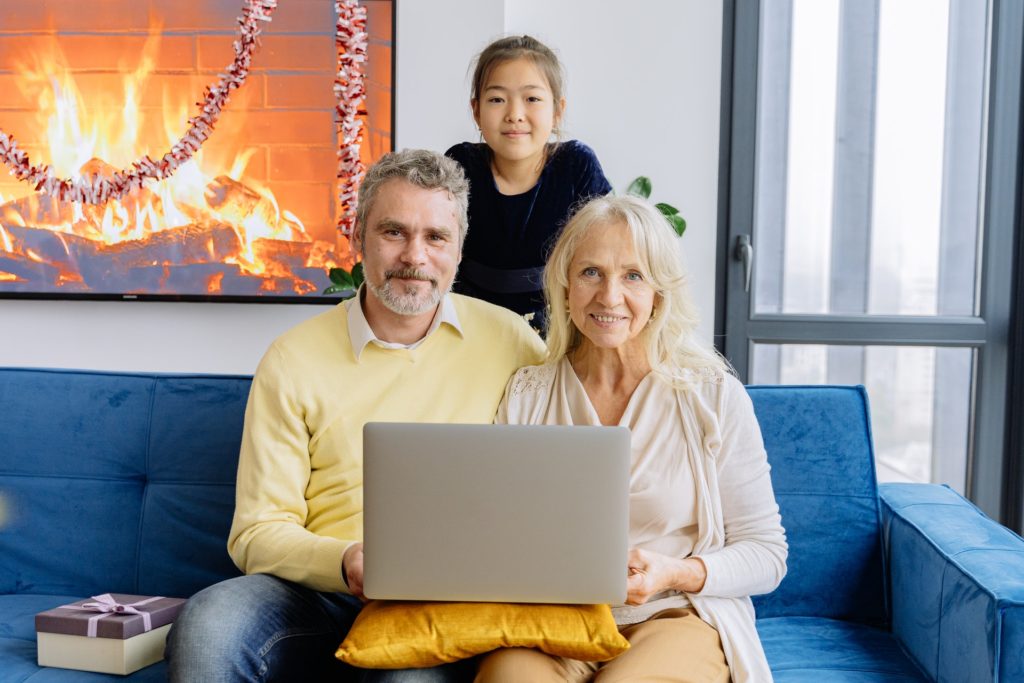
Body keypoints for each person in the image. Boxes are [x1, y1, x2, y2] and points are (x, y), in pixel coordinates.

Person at [166, 149, 546, 683]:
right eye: (394, 232)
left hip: (451, 600)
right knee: (206, 625)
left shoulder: (513, 341)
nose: (415, 256)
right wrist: (346, 562)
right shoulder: (292, 358)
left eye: (436, 237)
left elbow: (557, 473)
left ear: (459, 248)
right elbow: (256, 532)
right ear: (357, 237)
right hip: (321, 592)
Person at [477, 195, 788, 683]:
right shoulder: (527, 393)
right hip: (550, 622)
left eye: (633, 276)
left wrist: (673, 572)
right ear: (564, 285)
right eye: (591, 273)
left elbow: (767, 553)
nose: (609, 296)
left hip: (675, 614)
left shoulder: (711, 395)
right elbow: (493, 531)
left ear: (660, 292)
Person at [446, 35, 612, 334]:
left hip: (559, 323)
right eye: (497, 99)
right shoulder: (461, 163)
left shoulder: (576, 164)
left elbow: (606, 253)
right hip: (472, 320)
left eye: (532, 99)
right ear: (476, 110)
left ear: (557, 110)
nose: (514, 115)